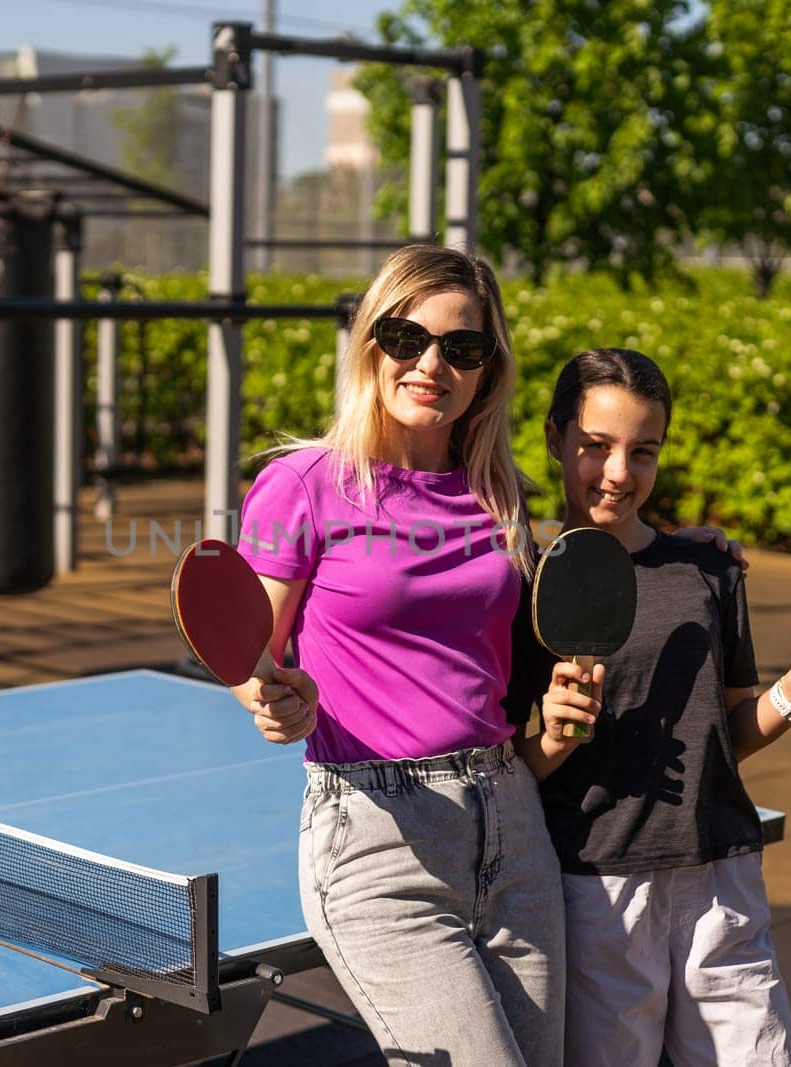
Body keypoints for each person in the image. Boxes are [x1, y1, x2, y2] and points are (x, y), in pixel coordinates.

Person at [230, 244, 567, 1067]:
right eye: (405, 336)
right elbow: (249, 655)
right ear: (369, 343)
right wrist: (270, 699)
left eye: (463, 347)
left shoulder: (502, 492)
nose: (430, 363)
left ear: (488, 370)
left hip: (514, 824)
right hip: (377, 832)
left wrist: (687, 550)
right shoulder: (301, 484)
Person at [515, 347, 791, 1067]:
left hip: (721, 874)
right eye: (596, 447)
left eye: (643, 451)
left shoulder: (709, 568)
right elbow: (510, 774)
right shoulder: (519, 581)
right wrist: (553, 735)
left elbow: (725, 736)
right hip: (598, 886)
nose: (619, 472)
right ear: (554, 440)